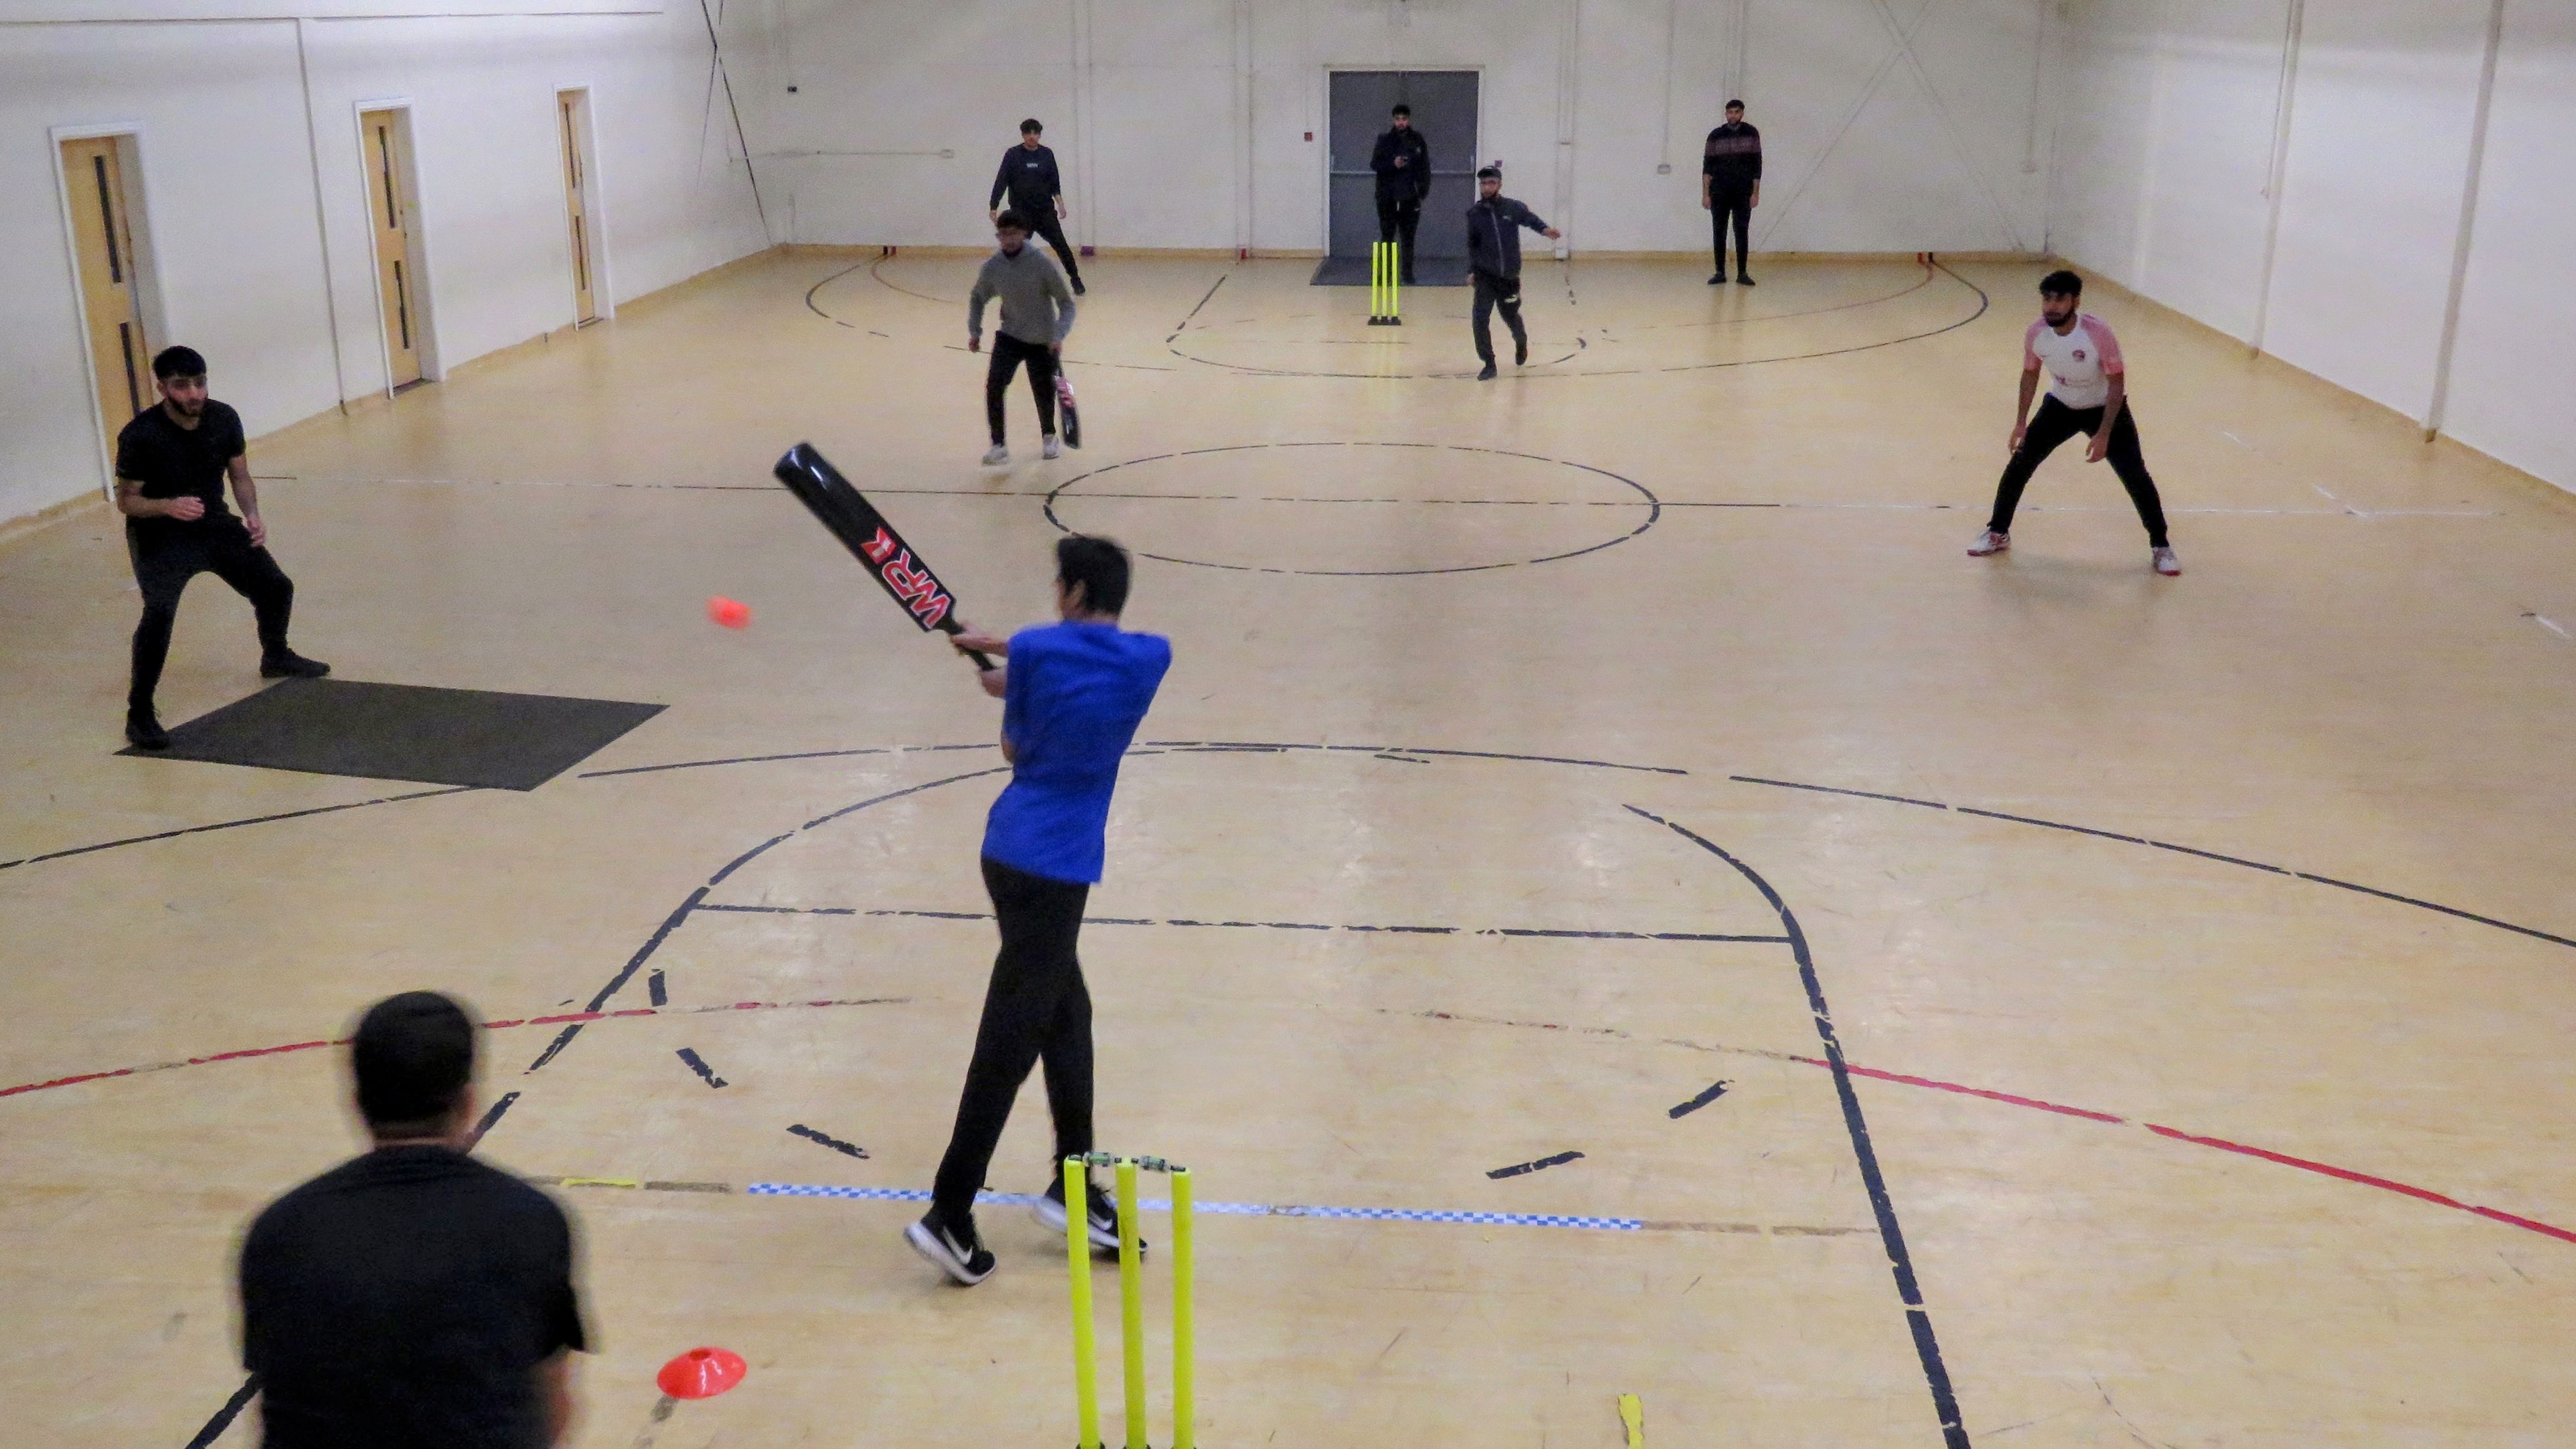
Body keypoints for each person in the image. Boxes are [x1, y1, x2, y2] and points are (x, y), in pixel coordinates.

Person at [904, 536, 1173, 1286]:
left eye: (1060, 586)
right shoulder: (1149, 657)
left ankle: (1073, 1184)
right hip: (1054, 870)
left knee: (1064, 1016)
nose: (1055, 596)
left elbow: (1013, 748)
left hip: (1016, 854)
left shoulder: (1036, 654)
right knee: (1010, 1042)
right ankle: (949, 1212)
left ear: (1078, 591)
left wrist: (1013, 664)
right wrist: (1019, 655)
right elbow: (1070, 657)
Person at [238, 992, 588, 1447]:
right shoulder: (528, 1220)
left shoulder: (281, 1232)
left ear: (357, 1101)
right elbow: (553, 1411)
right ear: (467, 1102)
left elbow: (281, 1401)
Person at [114, 346, 327, 750]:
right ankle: (139, 711)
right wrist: (167, 506)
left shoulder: (224, 418)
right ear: (162, 388)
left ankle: (276, 655)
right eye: (181, 386)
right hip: (160, 534)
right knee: (159, 612)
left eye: (200, 383)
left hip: (213, 524)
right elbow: (127, 501)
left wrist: (252, 515)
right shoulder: (141, 435)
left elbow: (240, 475)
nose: (194, 394)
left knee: (276, 586)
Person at [1970, 270, 2180, 576]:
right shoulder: (2036, 334)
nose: (2052, 307)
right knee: (2020, 464)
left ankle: (2161, 546)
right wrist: (2020, 423)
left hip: (2106, 409)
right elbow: (2030, 374)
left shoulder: (2098, 333)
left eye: (2060, 299)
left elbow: (2117, 383)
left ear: (2075, 301)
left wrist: (2105, 433)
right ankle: (1997, 532)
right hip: (2061, 406)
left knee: (2134, 474)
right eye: (2047, 299)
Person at [967, 211, 1078, 465]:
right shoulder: (993, 267)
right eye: (1003, 234)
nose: (1009, 239)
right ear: (999, 236)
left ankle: (1049, 437)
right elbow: (978, 297)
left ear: (1025, 234)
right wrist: (975, 332)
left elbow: (1066, 304)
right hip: (1010, 336)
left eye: (1014, 233)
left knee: (1043, 392)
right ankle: (998, 445)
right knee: (994, 387)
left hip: (1042, 340)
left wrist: (1058, 334)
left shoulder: (1041, 264)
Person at [1463, 166, 1561, 382]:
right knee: (1480, 319)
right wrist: (1472, 270)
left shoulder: (1512, 208)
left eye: (1491, 183)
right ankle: (1489, 363)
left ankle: (1521, 341)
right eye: (1483, 184)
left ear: (1499, 184)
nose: (1487, 187)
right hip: (1485, 276)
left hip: (1508, 276)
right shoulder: (1475, 214)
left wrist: (1546, 231)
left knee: (1510, 316)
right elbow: (1473, 245)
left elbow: (1530, 220)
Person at [989, 119, 1084, 294]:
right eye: (1029, 134)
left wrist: (1060, 204)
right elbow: (1002, 180)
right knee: (1014, 249)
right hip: (1021, 213)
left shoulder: (1047, 154)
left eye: (1036, 133)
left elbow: (1054, 182)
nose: (1032, 137)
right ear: (1023, 135)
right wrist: (994, 205)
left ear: (1040, 135)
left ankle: (1076, 279)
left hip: (1045, 212)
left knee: (1062, 246)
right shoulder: (1013, 155)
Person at [1370, 103, 1432, 286]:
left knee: (1408, 238)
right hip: (1387, 198)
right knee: (1387, 236)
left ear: (1409, 120)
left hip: (1410, 197)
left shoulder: (1417, 140)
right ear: (1393, 120)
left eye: (1404, 119)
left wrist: (1422, 192)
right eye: (1398, 119)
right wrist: (1393, 164)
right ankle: (1385, 275)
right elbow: (1375, 165)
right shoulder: (1384, 140)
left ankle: (1407, 274)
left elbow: (1425, 168)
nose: (1401, 122)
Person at [1702, 100, 1761, 286]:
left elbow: (1757, 166)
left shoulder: (1752, 134)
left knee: (1741, 231)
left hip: (1743, 192)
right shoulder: (1715, 136)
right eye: (1730, 112)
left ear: (1742, 113)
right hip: (1719, 192)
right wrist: (1706, 194)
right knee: (1719, 231)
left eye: (1736, 112)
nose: (1733, 115)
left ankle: (1742, 273)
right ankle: (1720, 272)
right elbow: (1707, 167)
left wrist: (1755, 193)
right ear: (1726, 114)